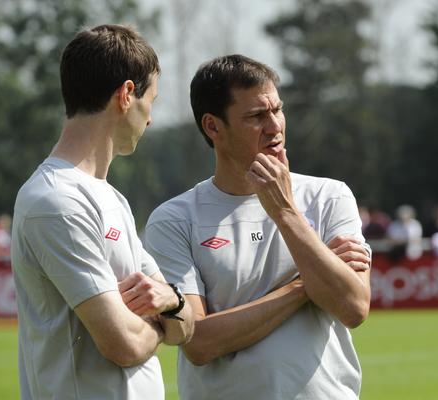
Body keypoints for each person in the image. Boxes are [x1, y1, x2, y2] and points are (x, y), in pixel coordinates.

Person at [144, 54, 372, 400]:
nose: (274, 126)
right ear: (213, 127)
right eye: (256, 116)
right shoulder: (174, 219)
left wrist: (286, 212)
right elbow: (199, 342)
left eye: (277, 110)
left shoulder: (329, 196)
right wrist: (306, 284)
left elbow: (353, 307)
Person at [11, 24, 194, 400]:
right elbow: (123, 344)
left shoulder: (112, 199)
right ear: (126, 95)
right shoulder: (55, 202)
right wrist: (164, 319)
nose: (150, 118)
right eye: (151, 100)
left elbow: (187, 323)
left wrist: (172, 302)